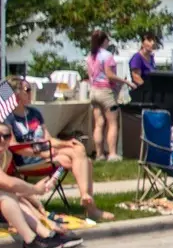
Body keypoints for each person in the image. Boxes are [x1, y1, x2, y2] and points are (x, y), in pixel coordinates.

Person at [5, 76, 108, 221]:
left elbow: (49, 139)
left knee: (78, 150)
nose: (31, 93)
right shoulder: (8, 118)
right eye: (27, 90)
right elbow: (13, 146)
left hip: (47, 153)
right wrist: (43, 153)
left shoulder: (34, 113)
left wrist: (66, 143)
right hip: (28, 160)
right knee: (82, 161)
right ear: (15, 95)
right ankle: (90, 208)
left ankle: (86, 197)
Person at [84, 29, 121, 160]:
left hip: (93, 91)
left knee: (99, 123)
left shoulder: (90, 56)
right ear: (104, 41)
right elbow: (110, 75)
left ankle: (99, 154)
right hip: (105, 92)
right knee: (112, 123)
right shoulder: (107, 56)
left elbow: (89, 76)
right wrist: (124, 81)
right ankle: (112, 153)